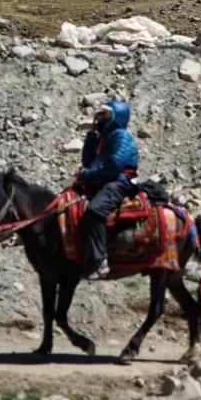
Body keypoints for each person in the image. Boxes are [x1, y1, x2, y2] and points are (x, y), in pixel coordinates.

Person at [78, 101, 139, 279]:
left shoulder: (121, 136)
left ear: (115, 117)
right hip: (103, 180)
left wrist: (88, 174)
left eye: (104, 115)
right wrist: (91, 136)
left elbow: (112, 166)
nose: (99, 118)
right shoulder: (104, 137)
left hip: (119, 182)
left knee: (95, 210)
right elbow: (88, 162)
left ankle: (99, 261)